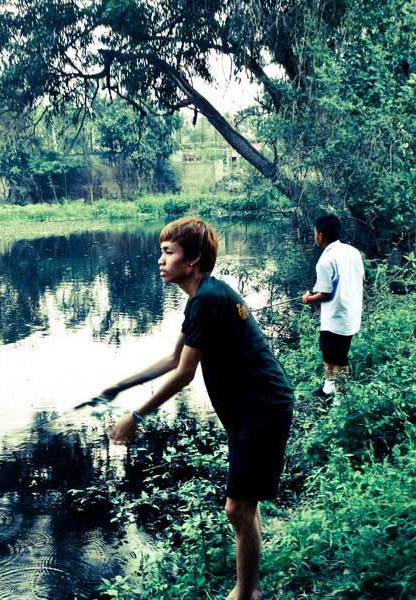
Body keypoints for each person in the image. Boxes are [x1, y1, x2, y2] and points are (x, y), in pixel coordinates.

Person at [95, 216, 294, 600]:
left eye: (168, 252)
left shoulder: (207, 299)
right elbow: (172, 359)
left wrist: (135, 417)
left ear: (193, 259)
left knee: (237, 508)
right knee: (244, 507)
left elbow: (185, 375)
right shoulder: (204, 295)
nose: (160, 260)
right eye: (161, 252)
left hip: (261, 407)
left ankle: (246, 591)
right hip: (250, 408)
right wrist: (121, 386)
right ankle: (250, 577)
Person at [302, 214, 364, 397]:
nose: (315, 237)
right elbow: (362, 278)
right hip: (351, 313)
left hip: (336, 317)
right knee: (333, 354)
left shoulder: (325, 261)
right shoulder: (353, 251)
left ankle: (340, 396)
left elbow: (326, 293)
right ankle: (328, 387)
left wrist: (308, 299)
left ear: (320, 235)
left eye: (315, 233)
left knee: (336, 357)